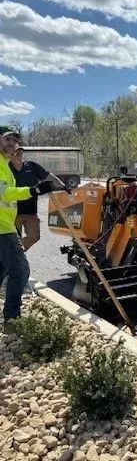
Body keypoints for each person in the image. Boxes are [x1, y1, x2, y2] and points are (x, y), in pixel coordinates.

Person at [0, 126, 54, 334]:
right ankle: (12, 322)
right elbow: (4, 193)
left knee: (2, 269)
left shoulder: (5, 164)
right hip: (2, 228)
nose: (12, 142)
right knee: (20, 270)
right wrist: (34, 190)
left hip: (5, 225)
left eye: (15, 139)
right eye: (7, 138)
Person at [9, 146, 51, 251]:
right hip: (13, 213)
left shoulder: (32, 166)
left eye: (20, 152)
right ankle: (15, 256)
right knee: (13, 241)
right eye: (15, 153)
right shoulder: (5, 169)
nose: (19, 155)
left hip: (31, 212)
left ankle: (17, 252)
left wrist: (62, 185)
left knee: (34, 237)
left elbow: (48, 176)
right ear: (9, 155)